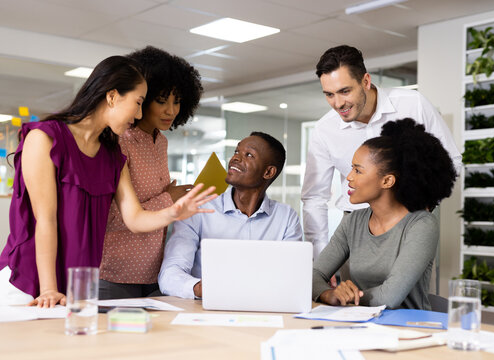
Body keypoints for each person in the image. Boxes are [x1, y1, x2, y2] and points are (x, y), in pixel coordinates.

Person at [0, 55, 217, 307]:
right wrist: (49, 289)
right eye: (138, 103)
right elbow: (45, 220)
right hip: (31, 282)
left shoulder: (112, 155)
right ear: (112, 96)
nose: (138, 114)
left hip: (78, 284)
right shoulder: (45, 138)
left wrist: (174, 211)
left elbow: (134, 219)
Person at [302, 45, 462, 261]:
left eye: (345, 91)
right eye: (329, 95)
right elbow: (314, 197)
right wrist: (320, 257)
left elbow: (451, 161)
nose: (338, 103)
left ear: (365, 82)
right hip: (355, 226)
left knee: (406, 293)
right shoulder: (324, 129)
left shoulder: (412, 104)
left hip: (410, 221)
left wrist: (424, 205)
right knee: (354, 294)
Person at [312, 118, 457, 310]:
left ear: (387, 181)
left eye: (358, 170)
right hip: (361, 326)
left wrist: (346, 298)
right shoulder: (353, 221)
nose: (349, 177)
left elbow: (390, 297)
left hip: (407, 331)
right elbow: (314, 276)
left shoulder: (421, 225)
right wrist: (330, 294)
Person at [99, 46, 203, 300]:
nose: (171, 110)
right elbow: (109, 218)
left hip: (155, 270)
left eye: (177, 101)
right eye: (161, 100)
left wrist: (177, 199)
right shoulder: (118, 140)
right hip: (115, 271)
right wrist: (169, 198)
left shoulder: (161, 141)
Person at [159, 132, 302, 299]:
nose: (235, 158)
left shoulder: (286, 218)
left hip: (263, 309)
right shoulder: (198, 209)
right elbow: (169, 274)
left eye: (249, 155)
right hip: (206, 310)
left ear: (268, 172)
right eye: (236, 152)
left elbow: (293, 276)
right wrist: (199, 288)